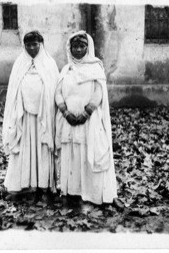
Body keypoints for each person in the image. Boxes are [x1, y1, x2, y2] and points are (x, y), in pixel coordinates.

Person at [55, 30, 123, 208]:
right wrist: (65, 111)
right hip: (70, 120)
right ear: (70, 48)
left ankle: (91, 193)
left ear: (88, 47)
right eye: (75, 46)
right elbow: (58, 93)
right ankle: (72, 192)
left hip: (88, 121)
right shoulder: (66, 69)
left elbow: (98, 93)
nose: (78, 50)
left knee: (88, 154)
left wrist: (86, 112)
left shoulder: (95, 67)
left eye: (82, 46)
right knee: (72, 155)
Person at [2, 31, 60, 200]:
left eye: (35, 44)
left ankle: (43, 186)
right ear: (24, 46)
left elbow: (53, 89)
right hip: (25, 119)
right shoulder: (20, 63)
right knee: (24, 148)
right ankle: (24, 185)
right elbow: (13, 91)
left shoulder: (49, 64)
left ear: (41, 45)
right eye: (28, 45)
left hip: (44, 118)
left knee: (42, 148)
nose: (32, 48)